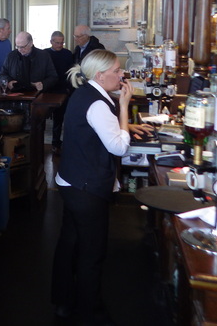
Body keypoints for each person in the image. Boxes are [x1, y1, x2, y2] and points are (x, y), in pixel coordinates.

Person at [51, 50, 151, 324]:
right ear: (100, 75)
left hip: (71, 180)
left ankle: (63, 302)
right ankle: (91, 312)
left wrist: (125, 125)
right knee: (92, 252)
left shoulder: (84, 94)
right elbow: (118, 147)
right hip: (87, 187)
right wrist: (124, 107)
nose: (122, 75)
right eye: (117, 70)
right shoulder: (98, 103)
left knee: (70, 243)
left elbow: (94, 128)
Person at [44, 31, 75, 150]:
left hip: (62, 90)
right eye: (57, 42)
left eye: (62, 43)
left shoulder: (67, 54)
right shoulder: (45, 54)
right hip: (48, 90)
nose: (59, 45)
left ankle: (56, 142)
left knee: (60, 118)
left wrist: (68, 89)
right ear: (51, 42)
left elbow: (71, 72)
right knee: (42, 117)